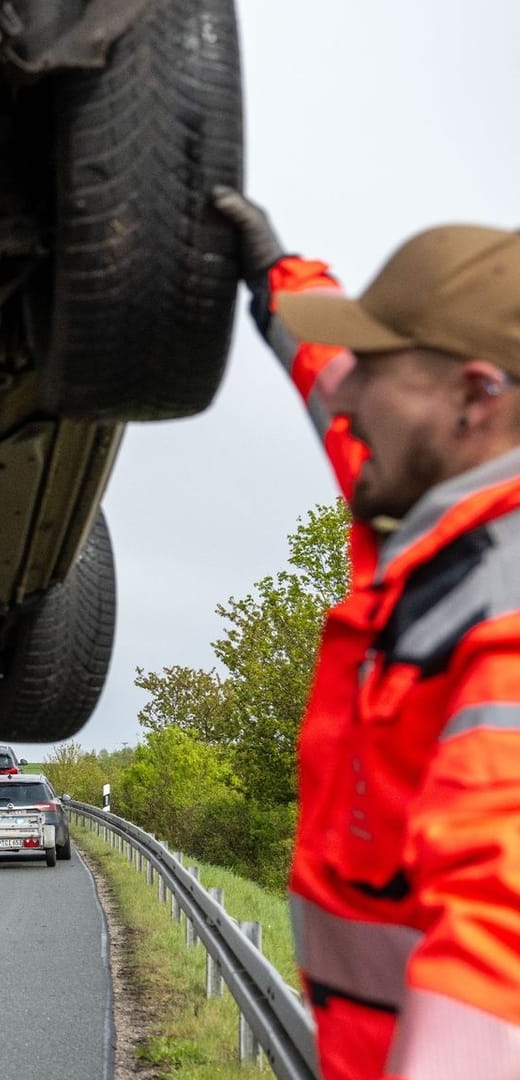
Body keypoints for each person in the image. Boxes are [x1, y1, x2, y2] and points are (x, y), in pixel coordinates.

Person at [214, 187, 520, 1080]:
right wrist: (274, 275)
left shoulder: (501, 604)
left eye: (378, 374)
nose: (346, 407)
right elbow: (332, 373)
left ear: (474, 396)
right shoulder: (432, 506)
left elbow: (499, 929)